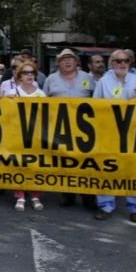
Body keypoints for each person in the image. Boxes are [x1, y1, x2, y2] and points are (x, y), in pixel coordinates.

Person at [91, 50, 136, 222]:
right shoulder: (104, 82)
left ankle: (135, 208)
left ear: (130, 62)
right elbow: (96, 105)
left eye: (125, 60)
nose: (122, 63)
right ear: (112, 63)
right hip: (109, 132)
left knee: (134, 169)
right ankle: (106, 205)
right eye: (118, 61)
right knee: (107, 168)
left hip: (133, 132)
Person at [44, 48, 95, 208]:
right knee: (64, 162)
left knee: (86, 163)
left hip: (85, 129)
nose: (67, 61)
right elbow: (43, 102)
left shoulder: (88, 78)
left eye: (70, 59)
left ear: (76, 62)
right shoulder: (50, 79)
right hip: (60, 128)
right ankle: (67, 195)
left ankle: (88, 197)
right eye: (64, 59)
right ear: (58, 62)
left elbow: (99, 99)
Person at [3, 61, 46, 211]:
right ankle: (20, 195)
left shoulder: (41, 94)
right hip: (16, 134)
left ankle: (35, 195)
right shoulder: (11, 94)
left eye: (32, 73)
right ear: (19, 76)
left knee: (35, 165)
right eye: (25, 73)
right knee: (18, 165)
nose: (29, 75)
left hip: (35, 134)